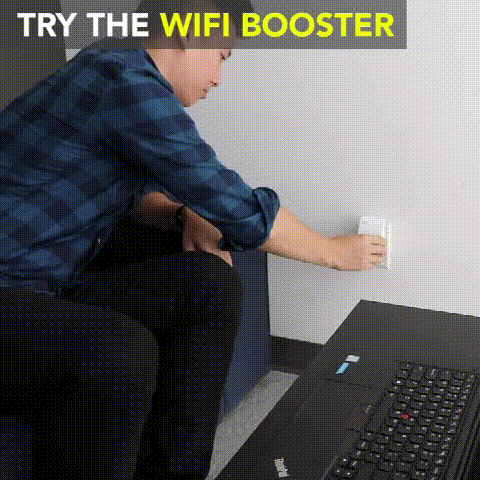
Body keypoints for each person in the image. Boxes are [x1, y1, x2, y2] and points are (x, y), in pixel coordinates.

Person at [0, 0, 386, 478]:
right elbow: (235, 205)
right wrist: (334, 252)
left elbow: (124, 195)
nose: (219, 79)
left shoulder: (114, 69)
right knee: (120, 350)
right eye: (221, 56)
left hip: (45, 281)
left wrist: (185, 214)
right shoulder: (122, 79)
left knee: (209, 284)